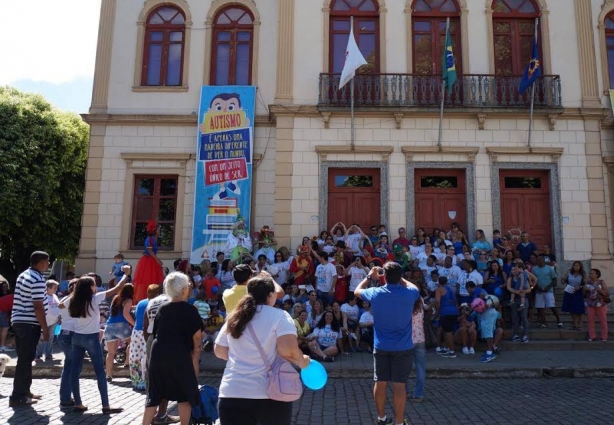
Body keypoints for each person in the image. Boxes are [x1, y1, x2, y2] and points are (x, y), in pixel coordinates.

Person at [214, 275, 310, 425]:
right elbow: (289, 351)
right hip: (270, 395)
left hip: (232, 392)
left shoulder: (235, 316)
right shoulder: (280, 316)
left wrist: (243, 355)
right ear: (270, 295)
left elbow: (219, 351)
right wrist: (304, 362)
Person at [355, 262, 420, 425]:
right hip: (403, 348)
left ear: (384, 276)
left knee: (380, 382)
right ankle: (398, 422)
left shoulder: (376, 293)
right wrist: (401, 278)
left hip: (381, 346)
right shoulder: (410, 293)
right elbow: (414, 287)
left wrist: (370, 276)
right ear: (399, 276)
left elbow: (356, 291)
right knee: (399, 386)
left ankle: (381, 417)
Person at [142, 272, 204, 425]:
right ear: (183, 290)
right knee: (185, 395)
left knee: (154, 395)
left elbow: (155, 332)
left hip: (159, 352)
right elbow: (197, 339)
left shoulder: (163, 309)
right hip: (179, 354)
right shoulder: (190, 310)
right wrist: (195, 360)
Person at [63, 270, 129, 414]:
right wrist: (126, 274)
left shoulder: (73, 300)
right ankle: (105, 405)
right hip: (91, 338)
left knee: (75, 371)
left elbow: (60, 306)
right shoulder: (95, 298)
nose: (96, 287)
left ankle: (78, 403)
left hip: (77, 338)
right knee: (100, 371)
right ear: (90, 287)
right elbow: (118, 288)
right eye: (93, 285)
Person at [10, 251, 50, 407]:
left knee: (25, 358)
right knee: (25, 360)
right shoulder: (38, 279)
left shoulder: (24, 274)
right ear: (40, 262)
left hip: (19, 321)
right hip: (29, 323)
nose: (48, 265)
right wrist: (45, 329)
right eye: (47, 262)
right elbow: (38, 306)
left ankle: (25, 391)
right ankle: (18, 396)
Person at [130, 284, 158, 391]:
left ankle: (136, 381)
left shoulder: (141, 302)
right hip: (145, 332)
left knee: (135, 357)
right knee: (145, 357)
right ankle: (145, 382)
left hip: (136, 331)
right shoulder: (153, 304)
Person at [104, 284, 135, 381]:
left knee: (111, 353)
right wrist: (134, 323)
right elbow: (126, 313)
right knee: (132, 343)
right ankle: (126, 362)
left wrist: (133, 307)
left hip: (109, 326)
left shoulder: (116, 298)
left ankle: (108, 375)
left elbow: (121, 309)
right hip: (122, 326)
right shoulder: (128, 300)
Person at [133, 220, 165, 303]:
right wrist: (157, 259)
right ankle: (145, 298)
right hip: (148, 261)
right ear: (154, 230)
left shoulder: (154, 238)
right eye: (158, 229)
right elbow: (150, 250)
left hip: (150, 260)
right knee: (148, 279)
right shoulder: (151, 238)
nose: (159, 231)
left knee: (151, 279)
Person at [57, 279, 76, 409]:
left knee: (68, 366)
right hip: (71, 334)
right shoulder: (73, 300)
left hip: (64, 333)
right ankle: (66, 398)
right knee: (71, 367)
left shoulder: (64, 299)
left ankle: (66, 397)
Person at [532, 254, 562, 329]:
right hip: (539, 290)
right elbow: (532, 280)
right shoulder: (534, 269)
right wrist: (537, 287)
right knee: (540, 307)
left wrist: (548, 287)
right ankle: (544, 322)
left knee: (552, 306)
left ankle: (559, 320)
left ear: (543, 260)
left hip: (549, 290)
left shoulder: (549, 268)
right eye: (537, 260)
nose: (538, 261)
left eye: (539, 260)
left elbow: (554, 280)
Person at [35, 280, 61, 362]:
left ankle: (48, 355)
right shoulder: (42, 297)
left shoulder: (55, 296)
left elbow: (58, 307)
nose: (56, 289)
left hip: (53, 321)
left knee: (50, 338)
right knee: (40, 339)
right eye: (54, 287)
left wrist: (59, 317)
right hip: (43, 322)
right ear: (48, 288)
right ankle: (38, 355)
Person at [406, 297, 426, 403]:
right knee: (420, 368)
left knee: (404, 367)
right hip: (420, 337)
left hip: (408, 338)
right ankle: (419, 394)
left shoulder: (405, 299)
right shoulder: (421, 300)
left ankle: (405, 391)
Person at [434, 276, 459, 359]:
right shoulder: (451, 289)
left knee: (448, 332)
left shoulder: (439, 289)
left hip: (445, 312)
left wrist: (437, 313)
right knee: (445, 331)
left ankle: (452, 351)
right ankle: (448, 348)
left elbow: (437, 302)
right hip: (454, 311)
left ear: (439, 282)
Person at [507, 263, 531, 343]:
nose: (514, 271)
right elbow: (508, 287)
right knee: (515, 317)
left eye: (515, 269)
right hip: (515, 299)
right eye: (513, 269)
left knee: (524, 317)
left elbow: (529, 289)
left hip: (522, 298)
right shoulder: (510, 279)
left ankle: (525, 335)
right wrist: (516, 291)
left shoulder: (523, 277)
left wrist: (523, 291)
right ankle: (515, 334)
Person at [584, 268, 609, 342]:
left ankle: (604, 336)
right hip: (590, 304)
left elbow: (607, 292)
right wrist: (585, 290)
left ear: (597, 274)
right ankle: (592, 336)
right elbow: (584, 294)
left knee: (603, 320)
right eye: (590, 273)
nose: (590, 274)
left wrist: (599, 289)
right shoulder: (588, 282)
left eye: (592, 273)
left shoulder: (601, 282)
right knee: (590, 320)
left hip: (600, 304)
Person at [561, 261, 586, 331]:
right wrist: (562, 279)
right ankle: (575, 323)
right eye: (575, 265)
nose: (576, 267)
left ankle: (580, 324)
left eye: (578, 266)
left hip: (578, 292)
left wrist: (580, 287)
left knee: (579, 309)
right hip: (569, 291)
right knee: (572, 308)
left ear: (580, 267)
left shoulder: (583, 274)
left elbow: (585, 284)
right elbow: (564, 281)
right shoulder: (569, 273)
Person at [0, 277, 15, 352]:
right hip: (1, 310)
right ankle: (2, 346)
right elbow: (13, 311)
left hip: (2, 309)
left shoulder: (12, 296)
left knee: (2, 328)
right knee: (5, 327)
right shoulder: (16, 298)